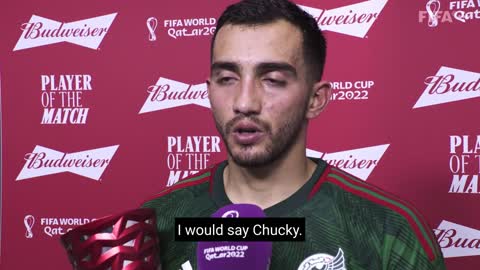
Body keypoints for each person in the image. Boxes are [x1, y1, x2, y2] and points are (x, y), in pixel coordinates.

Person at [142, 0, 446, 269]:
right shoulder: (158, 222)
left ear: (315, 100)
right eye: (227, 78)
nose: (244, 102)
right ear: (209, 92)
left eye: (273, 79)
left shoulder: (387, 229)